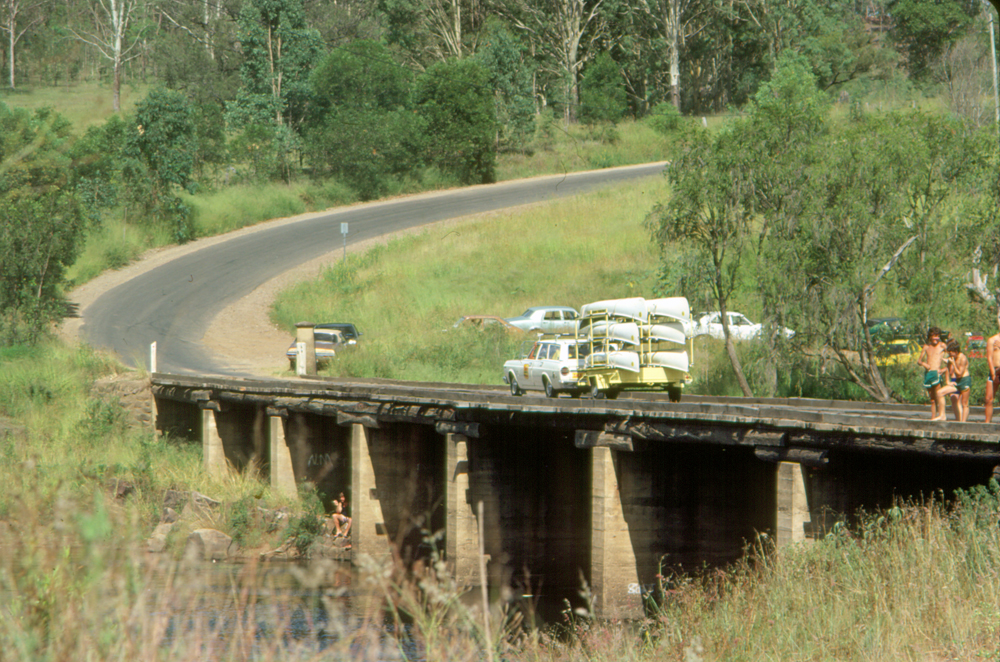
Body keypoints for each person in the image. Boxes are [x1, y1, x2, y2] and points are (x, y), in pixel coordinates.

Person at [917, 327, 947, 421]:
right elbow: (919, 360)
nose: (936, 338)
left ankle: (941, 415)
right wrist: (923, 364)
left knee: (939, 395)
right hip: (928, 373)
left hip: (936, 372)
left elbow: (953, 357)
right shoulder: (926, 347)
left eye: (937, 336)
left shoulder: (942, 346)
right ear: (930, 336)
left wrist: (944, 369)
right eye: (934, 336)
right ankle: (933, 417)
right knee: (932, 399)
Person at [938, 339, 970, 422]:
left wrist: (953, 363)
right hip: (956, 381)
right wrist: (948, 381)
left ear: (956, 351)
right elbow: (948, 369)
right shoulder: (951, 357)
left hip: (964, 380)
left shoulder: (962, 358)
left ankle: (963, 423)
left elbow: (959, 373)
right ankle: (942, 416)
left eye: (951, 353)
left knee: (964, 403)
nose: (950, 355)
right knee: (940, 392)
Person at [986, 327, 1000, 423]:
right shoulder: (992, 340)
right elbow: (989, 357)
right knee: (988, 398)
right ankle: (987, 422)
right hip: (995, 370)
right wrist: (993, 373)